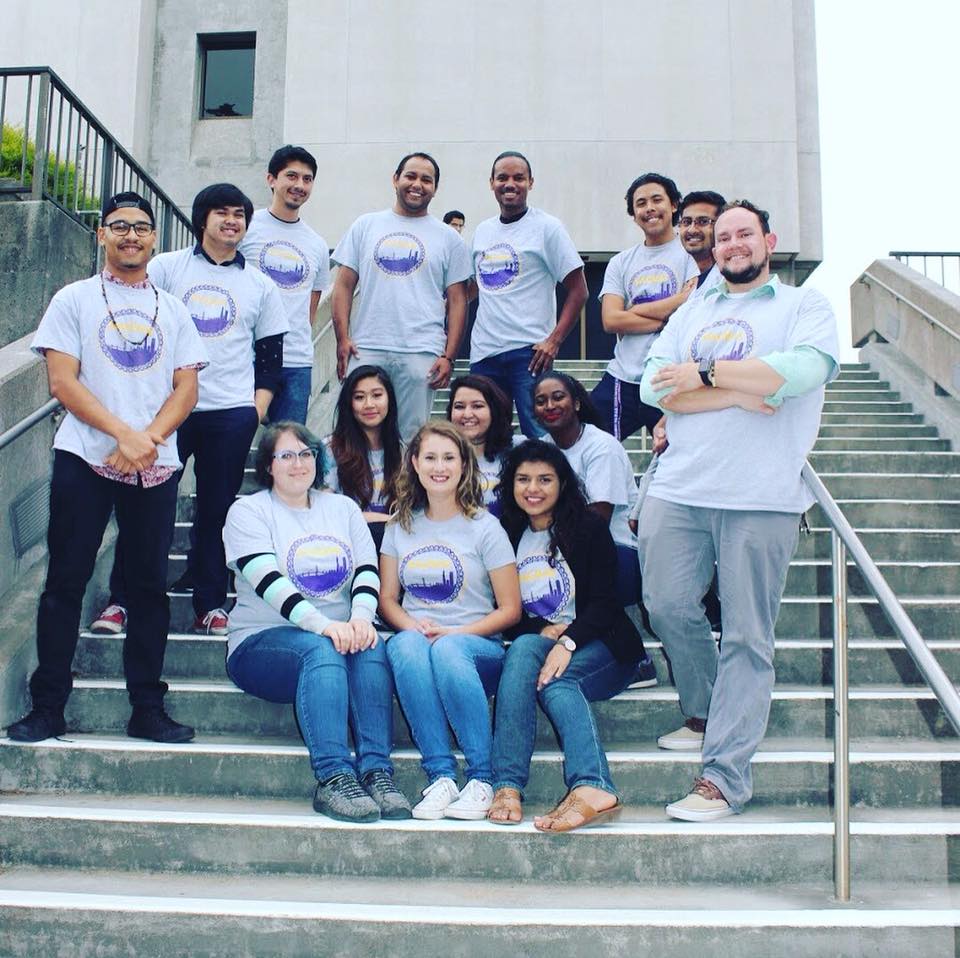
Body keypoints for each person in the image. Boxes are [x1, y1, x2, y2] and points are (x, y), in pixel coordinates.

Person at [637, 199, 840, 821]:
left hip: (761, 495)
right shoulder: (695, 308)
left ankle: (723, 779)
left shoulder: (803, 305)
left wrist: (700, 375)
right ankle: (704, 713)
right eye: (723, 236)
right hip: (680, 487)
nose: (731, 244)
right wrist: (743, 391)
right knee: (666, 605)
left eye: (743, 234)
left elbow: (802, 371)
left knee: (748, 636)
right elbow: (651, 385)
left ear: (768, 241)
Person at [6, 192, 207, 744]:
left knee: (148, 589)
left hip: (154, 463)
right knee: (64, 583)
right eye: (119, 226)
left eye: (141, 227)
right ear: (102, 235)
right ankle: (49, 706)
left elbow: (187, 387)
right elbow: (62, 381)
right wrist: (124, 434)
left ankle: (148, 708)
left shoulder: (174, 309)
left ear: (154, 239)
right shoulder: (73, 298)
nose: (131, 236)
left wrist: (148, 439)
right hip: (85, 458)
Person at [90, 182, 289, 638]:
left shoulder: (260, 284)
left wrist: (254, 411)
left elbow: (270, 359)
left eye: (239, 214)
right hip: (167, 412)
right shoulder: (166, 267)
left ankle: (210, 604)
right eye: (222, 213)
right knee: (144, 507)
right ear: (202, 220)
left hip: (230, 413)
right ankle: (122, 601)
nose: (232, 221)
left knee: (216, 512)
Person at [223, 423, 410, 822]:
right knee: (321, 650)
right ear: (268, 466)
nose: (298, 463)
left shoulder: (342, 509)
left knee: (370, 645)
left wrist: (361, 619)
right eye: (286, 456)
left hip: (338, 637)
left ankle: (377, 771)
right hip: (262, 642)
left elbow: (366, 570)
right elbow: (268, 582)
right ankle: (333, 776)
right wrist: (325, 626)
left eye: (306, 454)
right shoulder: (248, 511)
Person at [488, 441, 642, 830]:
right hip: (545, 641)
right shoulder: (507, 532)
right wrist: (543, 630)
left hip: (603, 643)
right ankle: (507, 785)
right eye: (523, 479)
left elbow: (606, 603)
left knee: (558, 684)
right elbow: (508, 610)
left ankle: (593, 785)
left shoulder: (587, 527)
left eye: (545, 479)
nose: (533, 489)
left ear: (562, 483)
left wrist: (568, 641)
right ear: (510, 484)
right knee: (523, 647)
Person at [379, 421, 521, 820]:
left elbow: (510, 609)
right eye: (430, 457)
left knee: (448, 648)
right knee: (404, 643)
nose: (439, 467)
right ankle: (441, 776)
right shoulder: (399, 525)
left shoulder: (485, 527)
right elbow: (387, 599)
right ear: (414, 463)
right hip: (421, 645)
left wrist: (454, 632)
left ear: (463, 465)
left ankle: (481, 778)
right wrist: (413, 626)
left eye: (448, 458)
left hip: (476, 649)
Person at [331, 152, 472, 441]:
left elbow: (458, 300)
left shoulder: (449, 238)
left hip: (422, 351)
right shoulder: (365, 226)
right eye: (410, 176)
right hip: (367, 346)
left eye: (426, 180)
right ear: (395, 179)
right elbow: (343, 286)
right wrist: (342, 338)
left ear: (435, 188)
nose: (417, 184)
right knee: (357, 435)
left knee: (411, 437)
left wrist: (449, 356)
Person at [532, 371, 656, 686]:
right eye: (541, 401)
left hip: (620, 553)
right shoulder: (543, 449)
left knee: (580, 568)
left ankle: (636, 658)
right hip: (565, 548)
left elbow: (597, 520)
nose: (550, 406)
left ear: (576, 402)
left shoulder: (602, 446)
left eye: (558, 397)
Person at [469, 151, 587, 438]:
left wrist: (554, 341)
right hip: (484, 354)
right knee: (484, 439)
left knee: (539, 437)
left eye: (518, 178)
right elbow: (473, 287)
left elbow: (579, 290)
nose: (510, 184)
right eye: (502, 178)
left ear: (530, 183)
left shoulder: (547, 227)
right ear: (491, 183)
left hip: (529, 353)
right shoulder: (483, 230)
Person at [590, 173, 699, 442]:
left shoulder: (692, 255)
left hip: (670, 377)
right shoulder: (621, 262)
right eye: (641, 203)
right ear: (633, 214)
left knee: (677, 453)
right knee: (590, 441)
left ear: (674, 205)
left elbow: (694, 309)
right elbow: (611, 320)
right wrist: (670, 314)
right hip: (622, 378)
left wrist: (633, 312)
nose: (649, 208)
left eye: (656, 200)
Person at [240, 145, 331, 424]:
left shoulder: (317, 244)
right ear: (271, 179)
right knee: (235, 440)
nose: (299, 185)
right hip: (245, 356)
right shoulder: (246, 228)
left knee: (290, 443)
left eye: (307, 179)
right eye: (291, 176)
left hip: (295, 361)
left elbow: (311, 308)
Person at [324, 364, 402, 550]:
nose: (369, 404)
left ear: (389, 399)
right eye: (359, 397)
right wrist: (384, 519)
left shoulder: (403, 451)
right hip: (345, 542)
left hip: (392, 545)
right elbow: (324, 508)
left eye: (377, 395)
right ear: (348, 403)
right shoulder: (330, 448)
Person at [446, 373, 517, 516]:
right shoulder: (438, 456)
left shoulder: (518, 449)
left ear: (494, 410)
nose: (467, 414)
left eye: (477, 406)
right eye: (459, 407)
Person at [678, 189, 727, 298]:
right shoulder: (683, 277)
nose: (692, 230)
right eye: (686, 222)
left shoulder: (729, 279)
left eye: (703, 221)